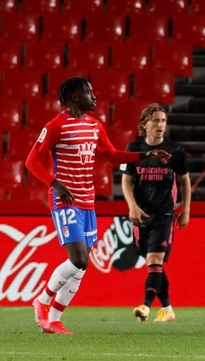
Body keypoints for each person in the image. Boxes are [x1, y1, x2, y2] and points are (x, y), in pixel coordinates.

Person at [27, 77, 171, 335]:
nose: (94, 97)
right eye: (88, 93)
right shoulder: (56, 126)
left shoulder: (94, 126)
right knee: (79, 259)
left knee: (82, 267)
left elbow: (112, 155)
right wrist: (55, 183)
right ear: (73, 97)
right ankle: (43, 300)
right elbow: (32, 161)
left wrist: (145, 155)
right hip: (65, 200)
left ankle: (55, 319)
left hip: (88, 202)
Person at [122, 103, 191, 323]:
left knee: (154, 259)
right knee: (154, 264)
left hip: (164, 214)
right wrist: (131, 205)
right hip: (141, 214)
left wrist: (186, 209)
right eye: (156, 120)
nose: (160, 125)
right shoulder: (133, 148)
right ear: (145, 124)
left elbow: (185, 180)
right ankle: (168, 309)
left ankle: (145, 306)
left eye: (163, 121)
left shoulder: (175, 150)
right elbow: (126, 181)